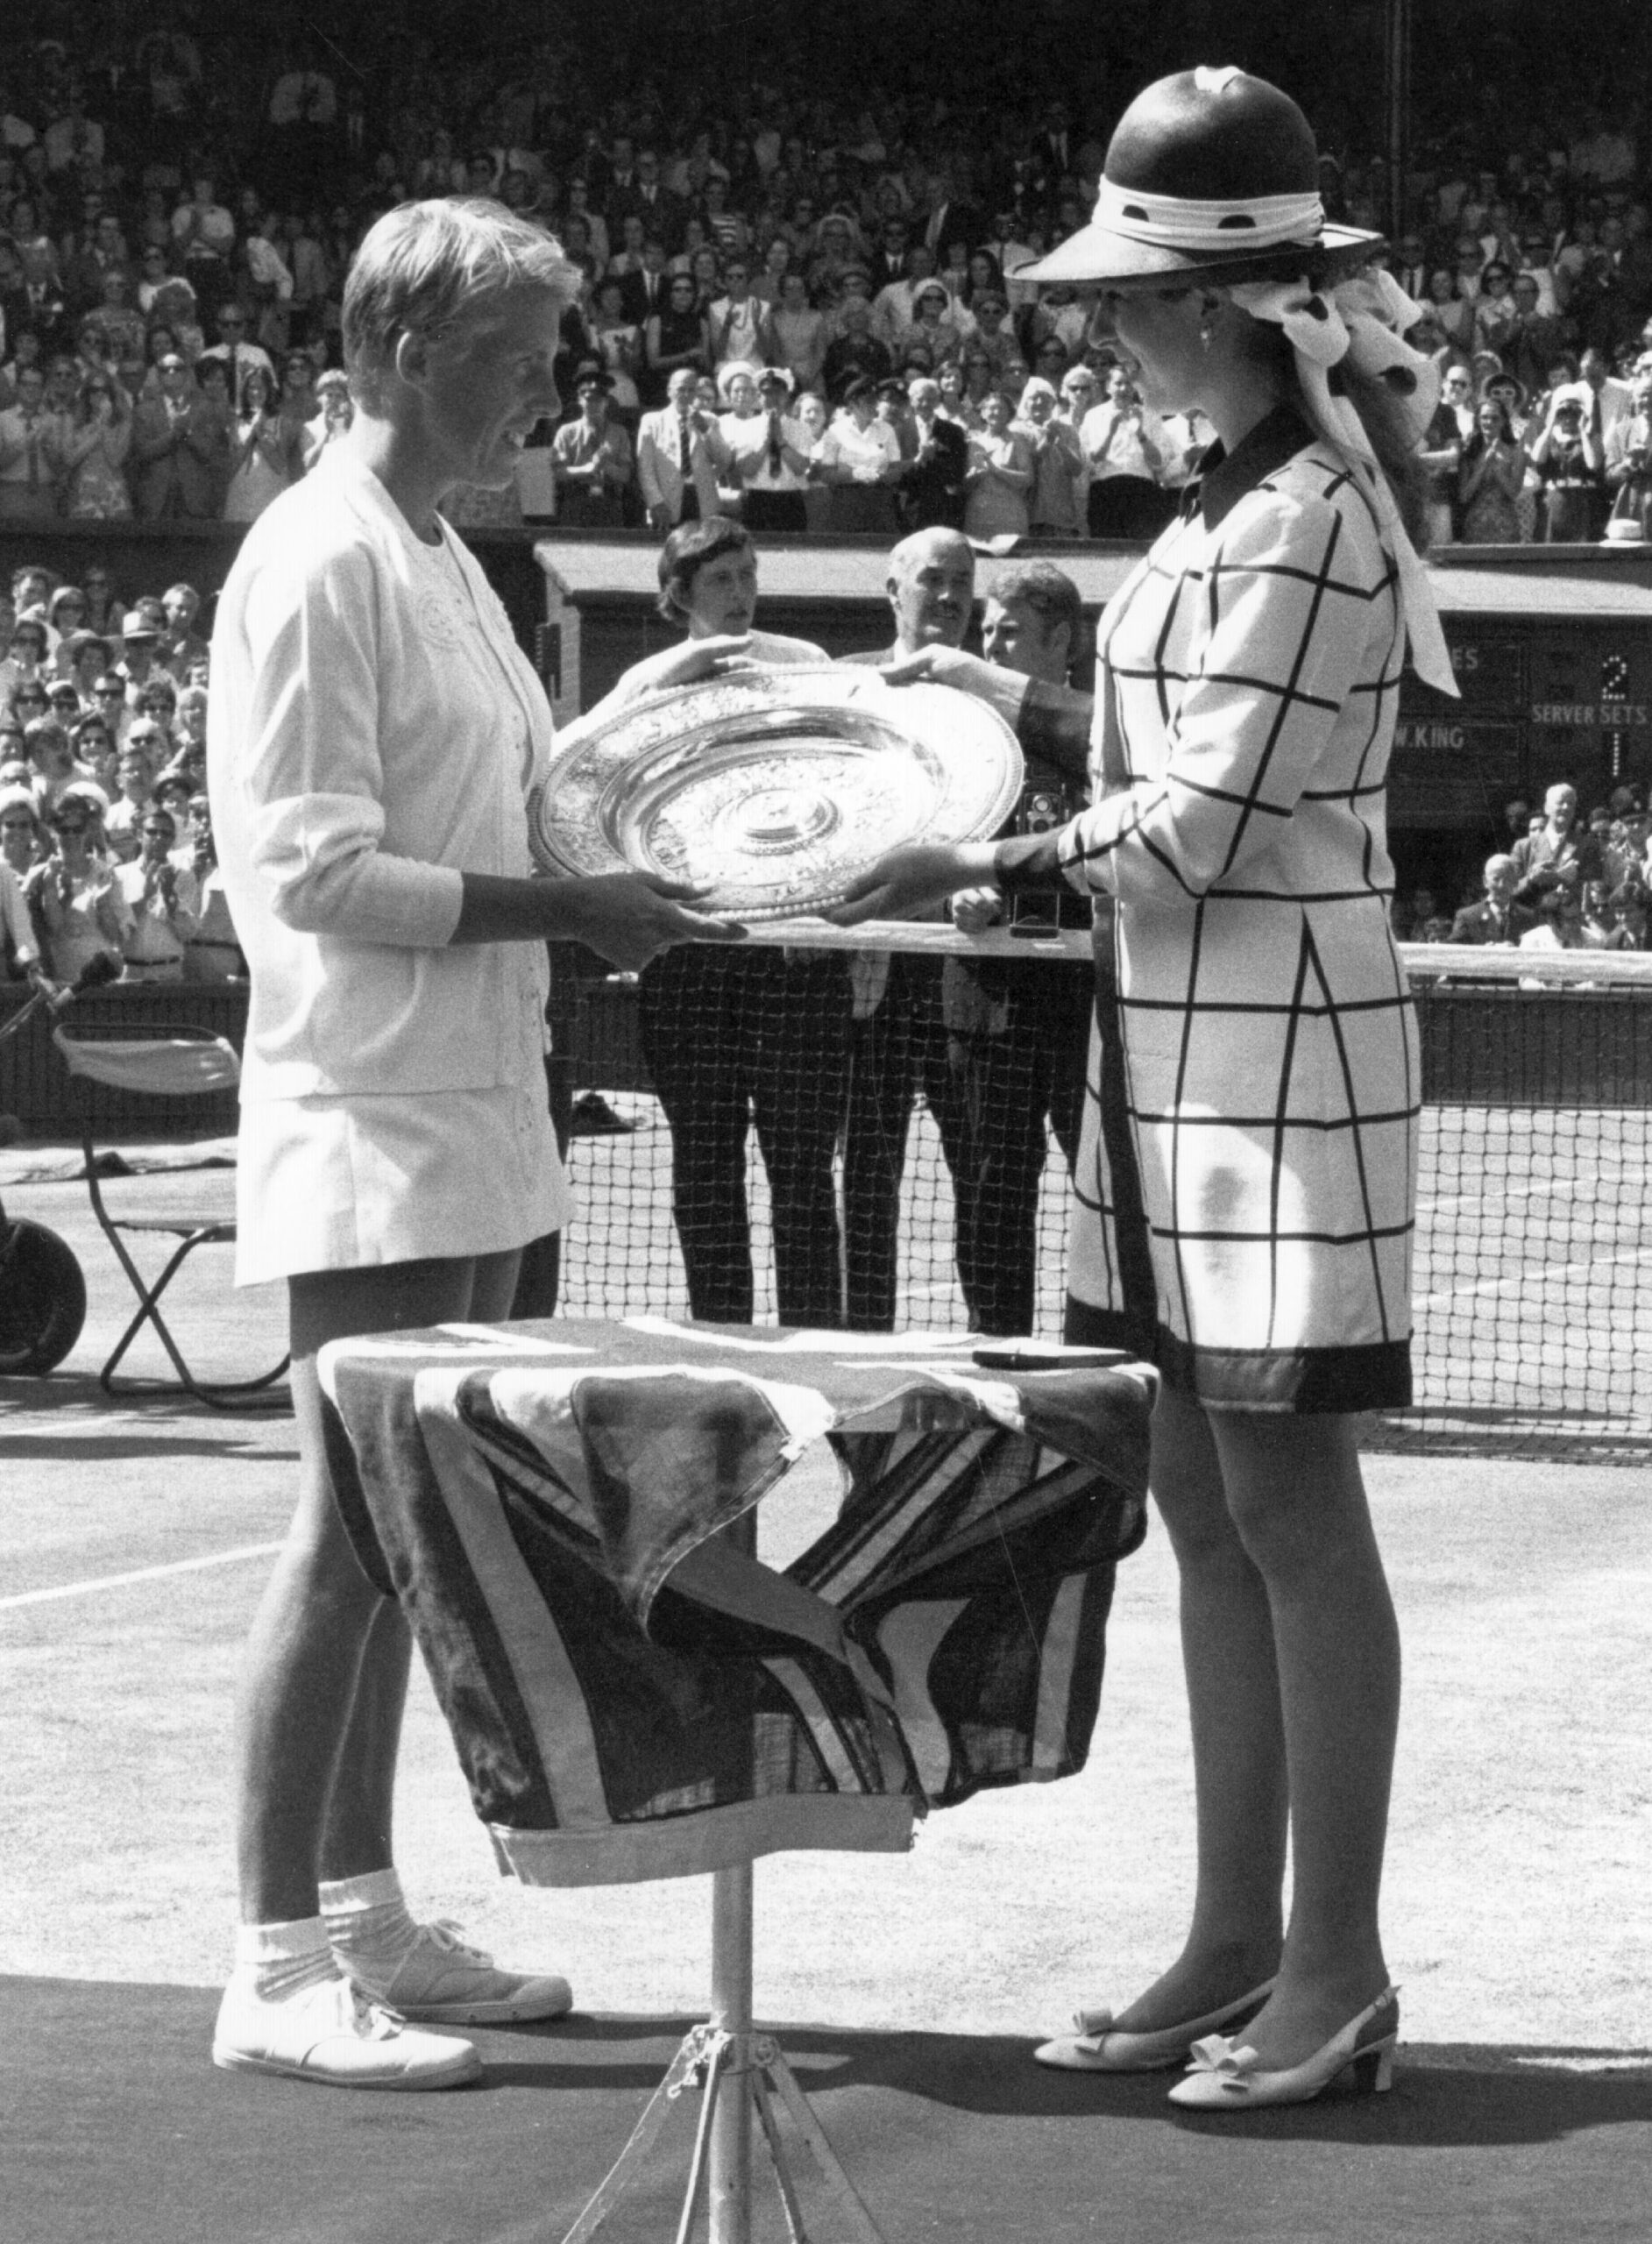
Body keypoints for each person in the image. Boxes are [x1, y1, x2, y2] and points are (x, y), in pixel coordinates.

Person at [832, 68, 1461, 2111]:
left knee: (1288, 1502)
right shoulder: (1221, 498)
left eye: (1122, 299)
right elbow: (1164, 796)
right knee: (1199, 1501)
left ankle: (1339, 1968)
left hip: (1280, 1068)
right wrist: (981, 730)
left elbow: (1191, 826)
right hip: (1167, 1063)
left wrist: (958, 847)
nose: (1099, 332)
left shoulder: (1311, 508)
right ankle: (1232, 1935)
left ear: (1208, 307)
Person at [207, 197, 742, 2094]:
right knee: (350, 1531)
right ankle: (271, 1955)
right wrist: (567, 915)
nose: (546, 390)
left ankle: (362, 1906)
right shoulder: (317, 559)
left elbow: (515, 796)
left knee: (416, 1537)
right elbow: (319, 871)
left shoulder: (445, 552)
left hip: (486, 1104)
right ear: (410, 352)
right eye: (519, 356)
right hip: (371, 1105)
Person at [575, 515, 848, 1323]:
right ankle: (720, 1339)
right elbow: (579, 760)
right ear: (680, 595)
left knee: (801, 1170)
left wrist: (810, 924)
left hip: (792, 959)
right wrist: (673, 672)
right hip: (688, 960)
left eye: (748, 575)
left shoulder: (804, 666)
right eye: (721, 580)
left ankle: (814, 1346)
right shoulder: (648, 681)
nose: (740, 593)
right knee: (704, 1165)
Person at [636, 363, 727, 532]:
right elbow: (645, 467)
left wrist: (706, 431)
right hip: (666, 501)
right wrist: (655, 502)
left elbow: (724, 460)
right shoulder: (652, 421)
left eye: (691, 390)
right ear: (669, 391)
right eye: (681, 389)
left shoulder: (710, 420)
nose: (686, 395)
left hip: (702, 499)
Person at [550, 366, 634, 528]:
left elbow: (625, 475)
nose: (593, 405)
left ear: (606, 402)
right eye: (588, 399)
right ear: (580, 400)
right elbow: (558, 472)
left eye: (598, 400)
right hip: (576, 502)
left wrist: (606, 466)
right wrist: (589, 468)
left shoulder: (619, 433)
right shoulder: (567, 432)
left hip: (609, 503)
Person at [1456, 396, 1526, 543]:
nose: (1489, 422)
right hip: (1476, 523)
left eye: (1495, 418)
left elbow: (1514, 493)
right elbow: (1464, 496)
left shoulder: (1515, 452)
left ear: (1504, 421)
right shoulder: (1469, 452)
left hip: (1505, 523)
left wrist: (1497, 469)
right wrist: (1483, 464)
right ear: (1478, 420)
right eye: (1484, 418)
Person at [1448, 854, 1538, 943]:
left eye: (1507, 879)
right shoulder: (1468, 917)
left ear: (1515, 882)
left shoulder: (1529, 918)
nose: (1501, 885)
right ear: (1485, 881)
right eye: (1496, 879)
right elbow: (1452, 952)